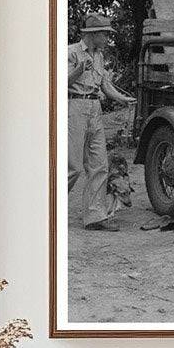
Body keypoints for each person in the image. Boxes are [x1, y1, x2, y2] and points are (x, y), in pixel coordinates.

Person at [67, 13, 135, 231]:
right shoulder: (70, 52)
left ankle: (95, 217)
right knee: (73, 167)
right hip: (74, 106)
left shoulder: (99, 56)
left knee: (100, 165)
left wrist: (122, 99)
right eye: (105, 34)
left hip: (95, 107)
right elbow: (57, 81)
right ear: (93, 34)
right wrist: (79, 69)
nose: (107, 38)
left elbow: (105, 85)